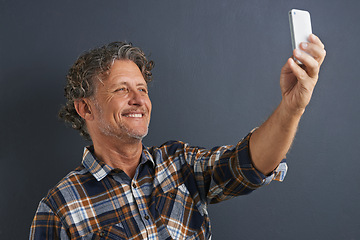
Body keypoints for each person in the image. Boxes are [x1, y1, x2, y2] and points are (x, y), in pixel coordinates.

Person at [29, 35, 326, 239]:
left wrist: (292, 107)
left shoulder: (179, 163)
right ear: (85, 108)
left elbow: (247, 165)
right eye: (121, 89)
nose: (138, 99)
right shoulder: (59, 208)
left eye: (142, 89)